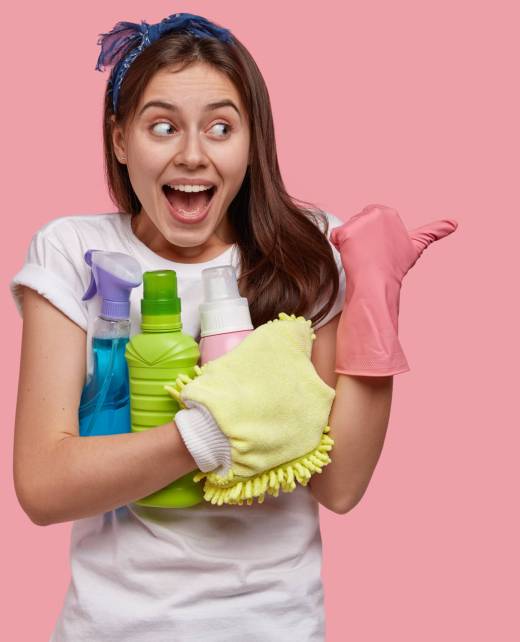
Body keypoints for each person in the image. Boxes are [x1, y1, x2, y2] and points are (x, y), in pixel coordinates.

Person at [10, 12, 457, 642]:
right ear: (119, 140)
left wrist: (375, 297)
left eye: (221, 127)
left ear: (252, 142)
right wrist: (206, 434)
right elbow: (43, 485)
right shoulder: (74, 250)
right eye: (161, 126)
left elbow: (342, 483)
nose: (192, 154)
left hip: (275, 626)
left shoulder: (307, 251)